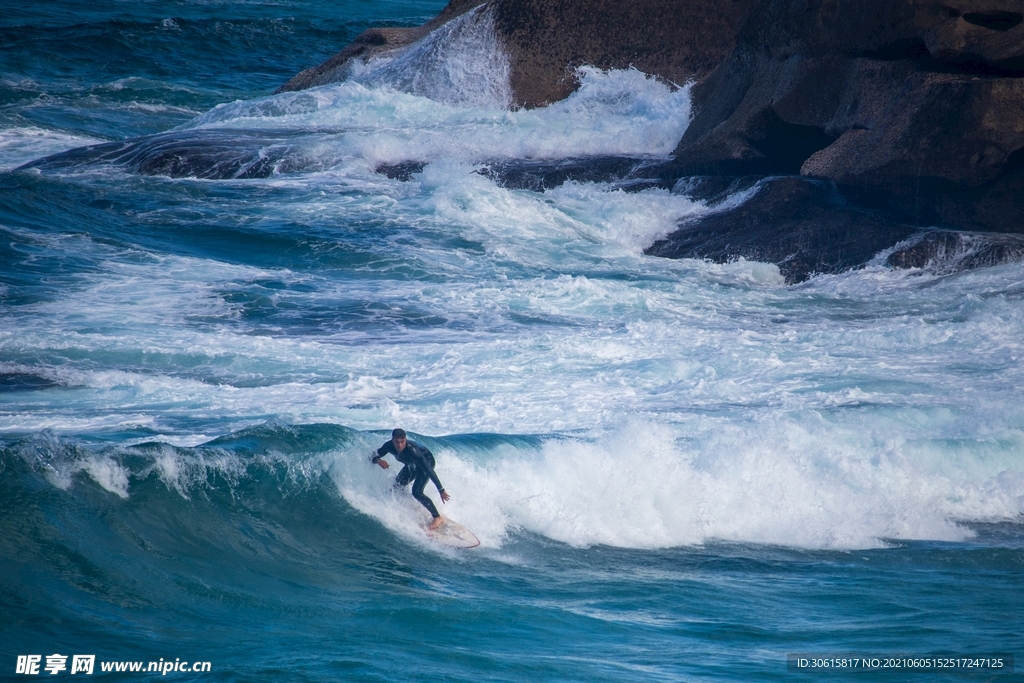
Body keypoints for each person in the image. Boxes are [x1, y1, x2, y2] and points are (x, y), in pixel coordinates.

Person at [371, 428, 450, 530]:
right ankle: (409, 504)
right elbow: (373, 455)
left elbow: (429, 470)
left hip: (427, 462)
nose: (399, 445)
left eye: (402, 442)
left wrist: (441, 490)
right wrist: (378, 460)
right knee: (397, 486)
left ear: (405, 440)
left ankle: (437, 517)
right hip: (411, 464)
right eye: (397, 442)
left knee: (417, 492)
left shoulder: (413, 451)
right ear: (392, 440)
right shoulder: (388, 446)